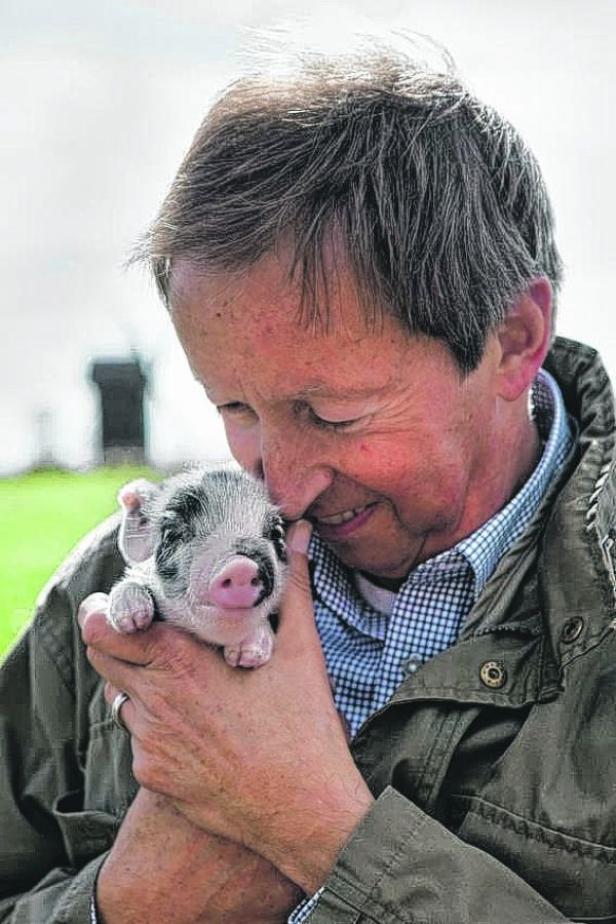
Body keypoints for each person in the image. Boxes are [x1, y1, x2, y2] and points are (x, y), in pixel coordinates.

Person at [2, 29, 616, 924]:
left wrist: (315, 829)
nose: (280, 488)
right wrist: (124, 902)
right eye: (234, 410)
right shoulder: (119, 586)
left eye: (334, 415)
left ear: (512, 339)